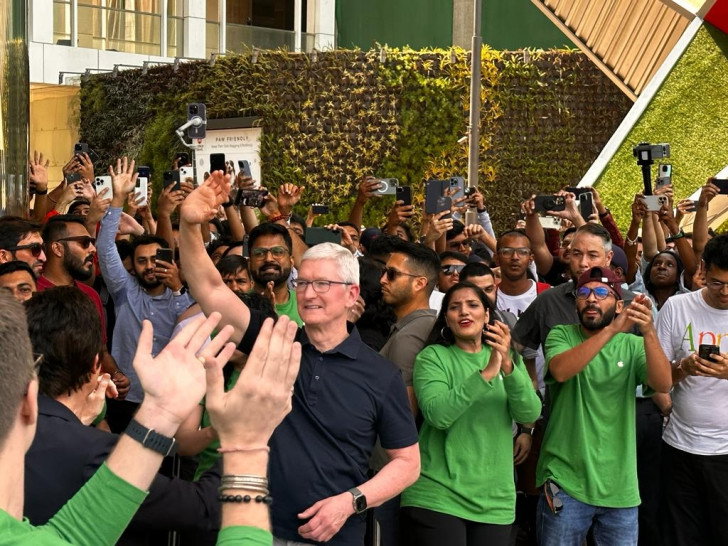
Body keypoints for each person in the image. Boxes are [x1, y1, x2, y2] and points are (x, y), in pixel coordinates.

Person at [179, 171, 420, 545]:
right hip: (256, 531)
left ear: (352, 293)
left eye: (322, 284)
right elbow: (210, 289)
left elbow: (407, 463)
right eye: (303, 282)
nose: (308, 294)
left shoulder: (380, 374)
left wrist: (351, 502)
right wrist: (189, 225)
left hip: (335, 535)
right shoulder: (274, 340)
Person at [23, 286, 223, 544]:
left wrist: (79, 422)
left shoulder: (16, 428)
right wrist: (242, 437)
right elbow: (203, 508)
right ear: (96, 364)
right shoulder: (95, 452)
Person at [536, 266, 672, 545]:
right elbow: (560, 371)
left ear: (619, 305)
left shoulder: (633, 345)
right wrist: (612, 330)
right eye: (583, 293)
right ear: (575, 303)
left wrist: (648, 332)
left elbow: (663, 383)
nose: (591, 299)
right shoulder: (561, 334)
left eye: (601, 292)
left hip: (619, 486)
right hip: (565, 480)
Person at [400, 281, 541, 545]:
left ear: (487, 315)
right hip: (439, 494)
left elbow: (529, 413)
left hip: (496, 500)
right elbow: (438, 415)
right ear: (447, 319)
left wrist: (508, 367)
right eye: (455, 307)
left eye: (473, 305)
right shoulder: (433, 357)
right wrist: (486, 374)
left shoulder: (507, 357)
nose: (464, 311)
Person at [97, 158, 193, 431]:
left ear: (168, 260)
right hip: (125, 398)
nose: (150, 266)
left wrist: (177, 289)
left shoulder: (185, 298)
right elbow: (105, 248)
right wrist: (118, 199)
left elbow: (190, 332)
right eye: (142, 261)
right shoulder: (124, 290)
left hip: (169, 400)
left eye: (155, 259)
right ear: (134, 265)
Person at [656, 234, 728, 545]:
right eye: (717, 283)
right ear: (703, 269)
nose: (725, 292)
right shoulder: (677, 307)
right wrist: (682, 369)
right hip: (679, 446)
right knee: (680, 535)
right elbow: (655, 379)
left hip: (725, 450)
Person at [247, 222, 303, 326]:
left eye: (278, 251)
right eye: (259, 253)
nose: (268, 259)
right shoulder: (236, 306)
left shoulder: (306, 303)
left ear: (291, 261)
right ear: (249, 263)